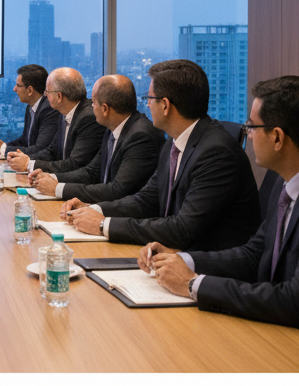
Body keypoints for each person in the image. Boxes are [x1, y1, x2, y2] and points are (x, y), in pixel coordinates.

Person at [138, 76, 299, 364]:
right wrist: (184, 260)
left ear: (278, 137)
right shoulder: (287, 179)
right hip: (287, 333)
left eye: (252, 127)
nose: (249, 135)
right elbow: (254, 253)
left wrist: (193, 284)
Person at [63, 59, 261, 250]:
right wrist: (94, 209)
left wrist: (102, 225)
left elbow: (182, 229)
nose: (147, 105)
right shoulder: (174, 141)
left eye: (149, 99)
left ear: (165, 105)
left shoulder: (217, 153)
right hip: (170, 255)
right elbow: (147, 199)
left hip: (205, 267)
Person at [28, 74, 164, 203]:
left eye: (93, 102)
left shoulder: (140, 136)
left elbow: (118, 190)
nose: (91, 106)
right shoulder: (113, 128)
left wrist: (58, 189)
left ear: (105, 109)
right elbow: (92, 172)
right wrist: (51, 178)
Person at [6, 67, 104, 175]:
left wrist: (29, 164)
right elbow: (52, 151)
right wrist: (24, 159)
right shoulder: (65, 113)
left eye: (47, 91)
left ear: (59, 96)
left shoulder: (88, 118)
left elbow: (75, 164)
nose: (45, 94)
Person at [0, 63, 59, 157]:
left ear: (30, 90)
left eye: (18, 85)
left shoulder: (49, 109)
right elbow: (25, 141)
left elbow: (40, 149)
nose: (14, 89)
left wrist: (2, 148)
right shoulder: (31, 107)